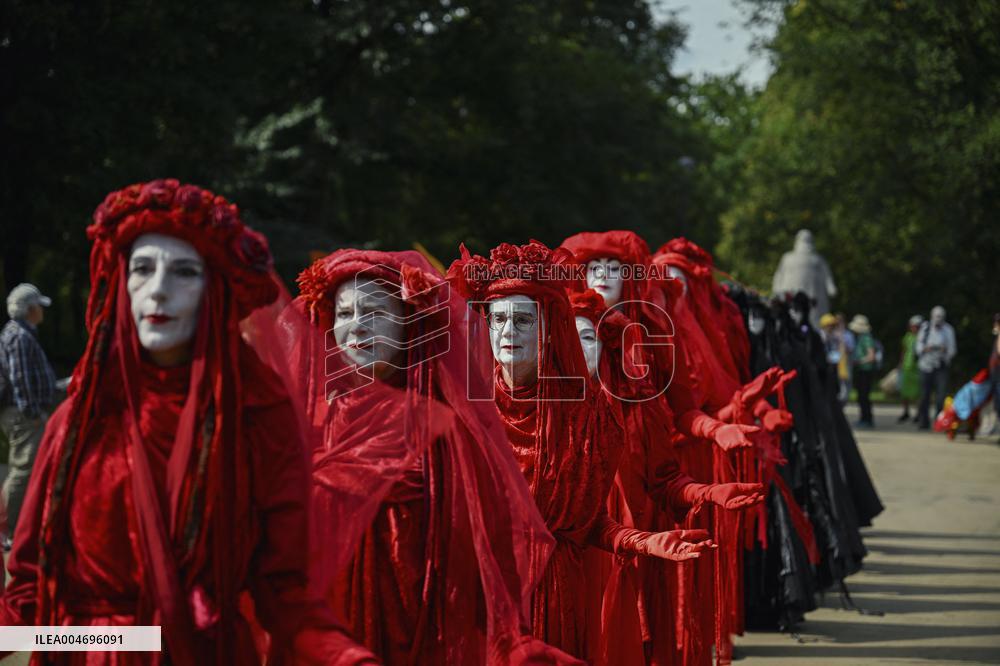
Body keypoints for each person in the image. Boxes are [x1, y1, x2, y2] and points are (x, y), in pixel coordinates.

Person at [0, 180, 376, 665]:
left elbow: (285, 595)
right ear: (121, 284)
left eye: (183, 272)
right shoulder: (78, 421)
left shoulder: (257, 420)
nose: (158, 289)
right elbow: (28, 590)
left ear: (213, 288)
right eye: (141, 269)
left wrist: (348, 658)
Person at [291, 249, 576, 664]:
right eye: (345, 312)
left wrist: (513, 644)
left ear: (409, 325)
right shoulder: (309, 422)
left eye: (375, 312)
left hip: (419, 637)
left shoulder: (445, 429)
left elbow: (482, 554)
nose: (357, 325)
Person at [447, 240, 716, 661]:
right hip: (480, 593)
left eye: (522, 320)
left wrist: (642, 542)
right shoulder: (464, 410)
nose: (507, 332)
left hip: (554, 596)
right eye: (497, 319)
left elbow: (588, 523)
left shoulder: (586, 417)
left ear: (548, 328)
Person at [0, 283, 57, 551]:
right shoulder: (20, 336)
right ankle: (6, 530)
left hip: (24, 412)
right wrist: (32, 413)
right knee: (23, 471)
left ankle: (16, 528)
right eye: (39, 307)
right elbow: (21, 378)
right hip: (24, 415)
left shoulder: (21, 334)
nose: (42, 312)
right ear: (30, 309)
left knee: (27, 470)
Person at [771, 230, 837, 328]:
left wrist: (830, 286)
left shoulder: (817, 259)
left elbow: (827, 275)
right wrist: (776, 288)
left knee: (812, 316)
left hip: (813, 293)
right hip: (791, 292)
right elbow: (779, 274)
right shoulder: (788, 258)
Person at [915, 305, 957, 430]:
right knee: (924, 395)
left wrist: (944, 351)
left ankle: (939, 421)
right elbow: (918, 347)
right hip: (925, 366)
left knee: (941, 396)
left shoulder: (948, 330)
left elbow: (953, 350)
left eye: (941, 316)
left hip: (941, 366)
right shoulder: (925, 328)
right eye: (936, 316)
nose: (938, 319)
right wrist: (926, 348)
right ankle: (923, 421)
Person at [849, 314, 877, 428]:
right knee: (861, 396)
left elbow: (871, 356)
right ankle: (863, 417)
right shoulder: (861, 338)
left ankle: (867, 419)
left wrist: (859, 361)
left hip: (866, 370)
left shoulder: (866, 338)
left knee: (864, 396)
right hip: (861, 370)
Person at [898, 315, 923, 422]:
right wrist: (900, 363)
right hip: (907, 367)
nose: (914, 328)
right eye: (913, 326)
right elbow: (903, 350)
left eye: (916, 326)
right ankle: (905, 412)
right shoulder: (907, 337)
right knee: (905, 392)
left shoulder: (922, 337)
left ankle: (918, 413)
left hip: (917, 368)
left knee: (917, 392)